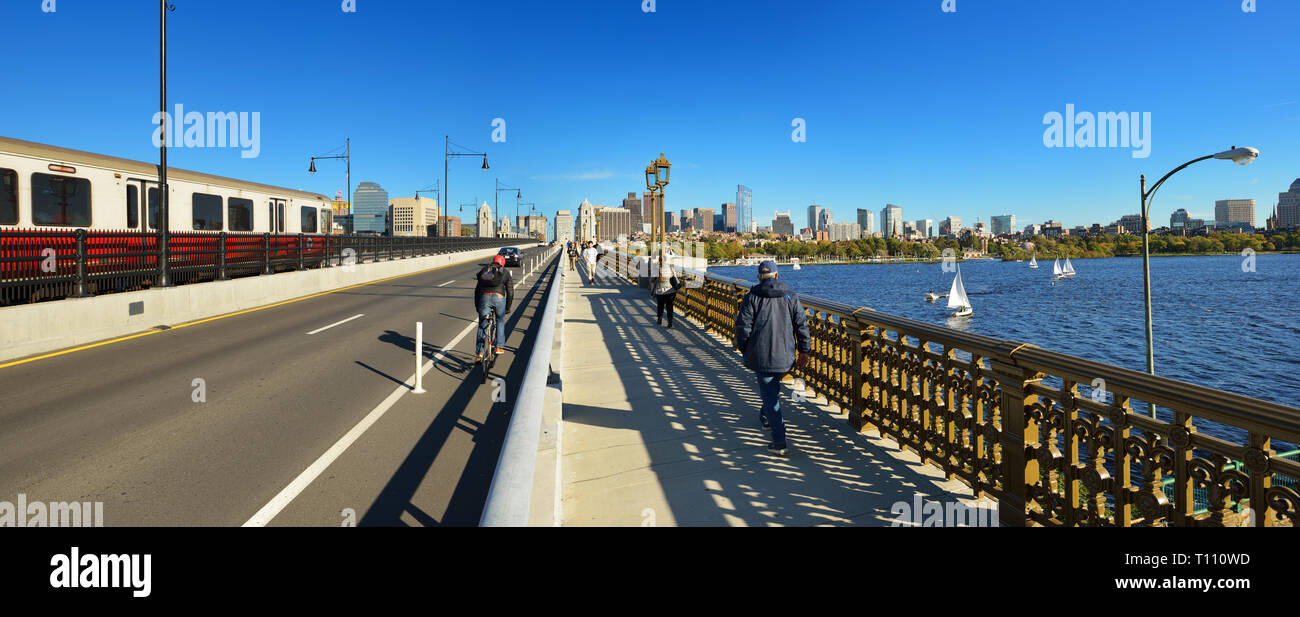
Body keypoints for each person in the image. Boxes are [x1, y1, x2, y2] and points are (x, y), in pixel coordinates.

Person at [734, 260, 811, 457]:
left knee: (769, 393)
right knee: (771, 390)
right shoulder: (790, 296)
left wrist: (744, 348)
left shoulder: (752, 296)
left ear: (759, 277)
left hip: (761, 354)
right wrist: (804, 351)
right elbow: (801, 325)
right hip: (785, 354)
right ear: (777, 276)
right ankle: (766, 417)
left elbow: (743, 326)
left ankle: (779, 441)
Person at [473, 254, 514, 363]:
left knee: (482, 324)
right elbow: (510, 291)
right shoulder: (504, 272)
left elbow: (477, 291)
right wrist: (508, 307)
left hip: (484, 298)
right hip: (499, 299)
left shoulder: (485, 270)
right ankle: (499, 347)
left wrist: (477, 305)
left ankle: (479, 353)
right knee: (500, 321)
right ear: (502, 263)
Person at [652, 251, 682, 328]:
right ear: (666, 260)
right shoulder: (670, 266)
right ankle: (670, 322)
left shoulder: (656, 267)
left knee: (660, 305)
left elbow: (652, 280)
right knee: (669, 306)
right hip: (670, 290)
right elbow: (675, 277)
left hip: (660, 291)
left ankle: (660, 318)